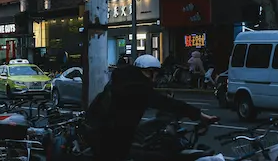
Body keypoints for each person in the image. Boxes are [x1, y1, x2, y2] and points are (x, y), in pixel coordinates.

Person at [83, 54, 218, 161]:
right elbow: (167, 104)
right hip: (113, 142)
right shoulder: (137, 88)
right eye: (156, 74)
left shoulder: (120, 82)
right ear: (149, 72)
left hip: (102, 136)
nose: (157, 78)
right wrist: (199, 115)